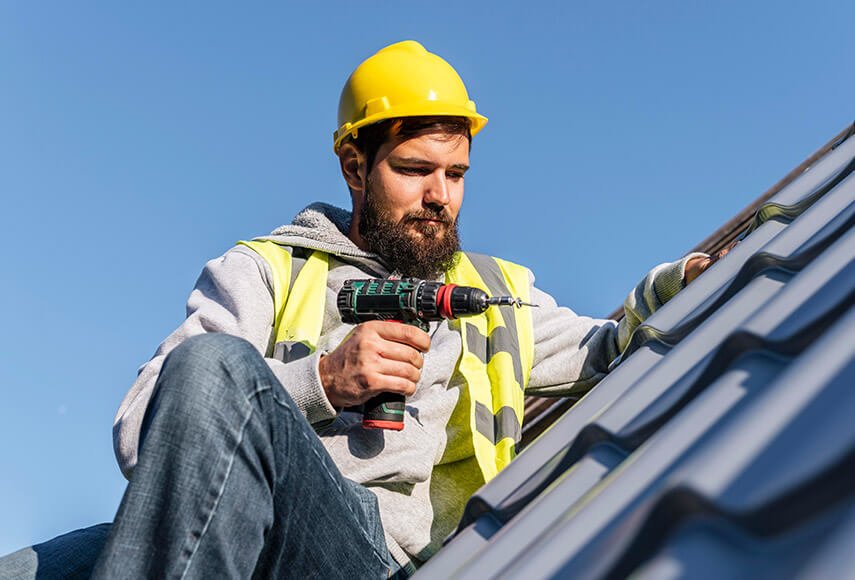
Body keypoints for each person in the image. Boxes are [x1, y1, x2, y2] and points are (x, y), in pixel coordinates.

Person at [0, 40, 719, 579]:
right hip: (241, 527)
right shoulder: (266, 269)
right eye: (413, 170)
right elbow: (142, 430)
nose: (439, 194)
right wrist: (323, 381)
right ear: (354, 167)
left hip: (373, 561)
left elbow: (611, 345)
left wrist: (673, 285)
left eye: (456, 174)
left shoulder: (492, 296)